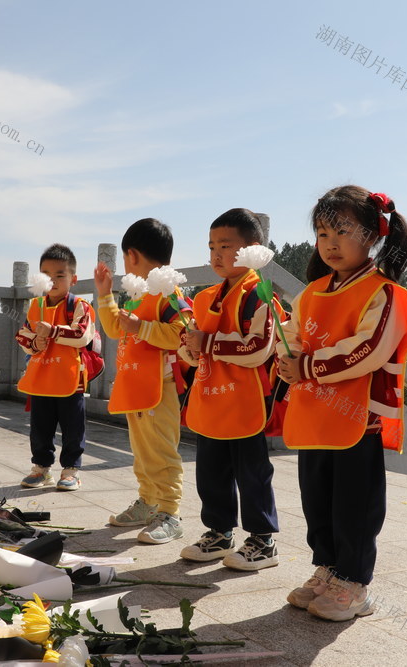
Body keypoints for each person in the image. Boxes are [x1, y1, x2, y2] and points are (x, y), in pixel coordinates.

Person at [276, 186, 407, 621]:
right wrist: (287, 356)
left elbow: (369, 348)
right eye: (322, 233)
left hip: (359, 418)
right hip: (314, 413)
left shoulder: (387, 293)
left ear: (373, 235)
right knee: (316, 497)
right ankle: (328, 568)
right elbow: (295, 334)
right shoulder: (313, 291)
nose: (330, 242)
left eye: (342, 230)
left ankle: (355, 583)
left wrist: (308, 366)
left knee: (354, 503)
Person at [179, 208, 281, 571]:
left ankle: (262, 539)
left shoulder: (260, 294)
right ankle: (219, 532)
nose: (217, 255)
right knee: (210, 470)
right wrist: (189, 347)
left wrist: (205, 343)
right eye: (211, 247)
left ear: (252, 248)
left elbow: (257, 349)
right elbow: (189, 346)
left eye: (226, 246)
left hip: (244, 399)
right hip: (209, 397)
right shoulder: (205, 297)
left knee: (251, 471)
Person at [93, 218, 192, 544]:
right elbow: (114, 328)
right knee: (142, 451)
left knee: (162, 452)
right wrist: (105, 295)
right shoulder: (139, 294)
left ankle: (170, 512)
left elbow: (184, 334)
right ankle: (148, 501)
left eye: (125, 259)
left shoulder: (168, 293)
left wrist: (142, 329)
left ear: (132, 256)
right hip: (136, 385)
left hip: (160, 387)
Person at [16, 243, 96, 492]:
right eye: (47, 275)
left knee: (73, 427)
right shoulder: (36, 305)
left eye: (60, 275)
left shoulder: (79, 306)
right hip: (42, 377)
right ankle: (41, 468)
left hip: (70, 378)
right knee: (40, 427)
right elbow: (22, 336)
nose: (53, 281)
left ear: (73, 278)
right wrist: (35, 342)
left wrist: (52, 332)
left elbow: (83, 335)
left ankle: (71, 470)